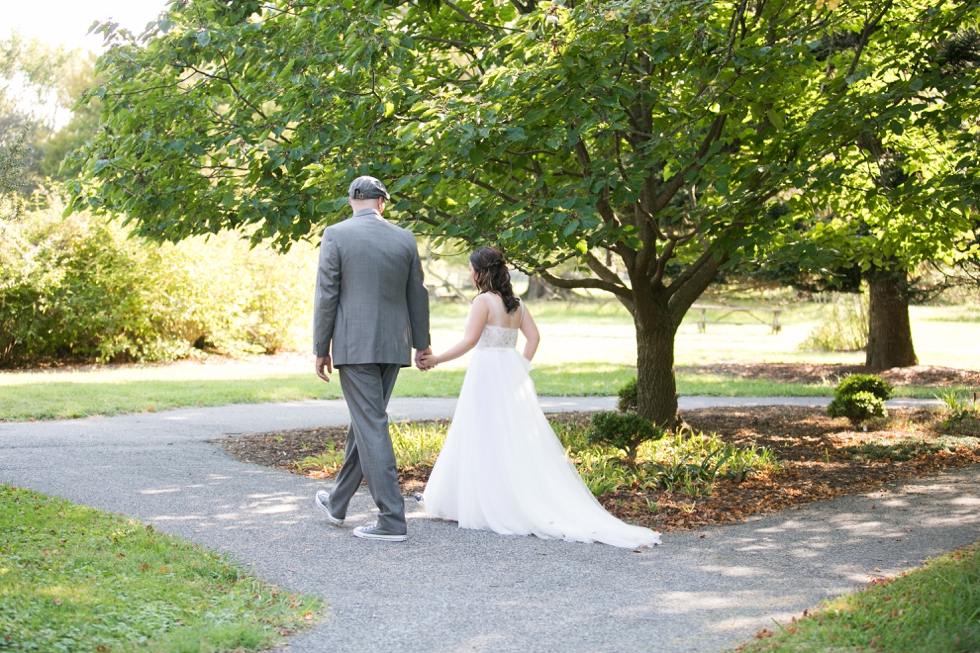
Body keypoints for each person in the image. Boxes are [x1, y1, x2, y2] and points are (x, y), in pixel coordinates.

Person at [418, 247, 661, 548]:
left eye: (471, 269)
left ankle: (485, 501)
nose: (470, 274)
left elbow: (469, 341)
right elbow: (534, 338)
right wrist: (521, 366)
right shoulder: (516, 304)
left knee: (482, 432)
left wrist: (437, 359)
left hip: (487, 371)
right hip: (509, 369)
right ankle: (498, 496)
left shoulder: (483, 301)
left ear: (481, 272)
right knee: (512, 436)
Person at [312, 175, 431, 542]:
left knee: (371, 423)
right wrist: (421, 343)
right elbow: (418, 294)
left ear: (352, 200)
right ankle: (337, 501)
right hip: (394, 345)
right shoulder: (404, 237)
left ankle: (392, 519)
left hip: (355, 343)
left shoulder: (336, 234)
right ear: (383, 202)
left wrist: (320, 348)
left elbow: (326, 293)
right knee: (367, 422)